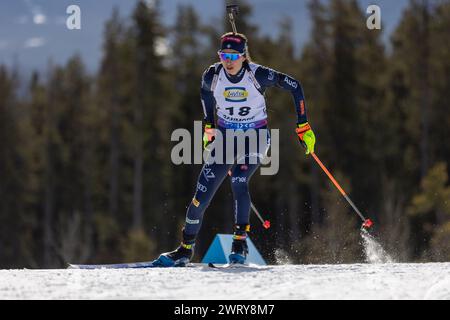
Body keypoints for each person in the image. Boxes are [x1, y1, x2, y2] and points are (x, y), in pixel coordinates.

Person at [154, 32, 316, 267]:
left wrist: (303, 125)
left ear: (243, 57)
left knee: (239, 178)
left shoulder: (257, 74)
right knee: (201, 195)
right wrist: (209, 126)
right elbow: (205, 94)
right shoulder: (213, 75)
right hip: (226, 137)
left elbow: (295, 86)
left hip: (256, 136)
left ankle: (239, 245)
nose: (228, 61)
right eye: (223, 55)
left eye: (233, 56)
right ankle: (184, 250)